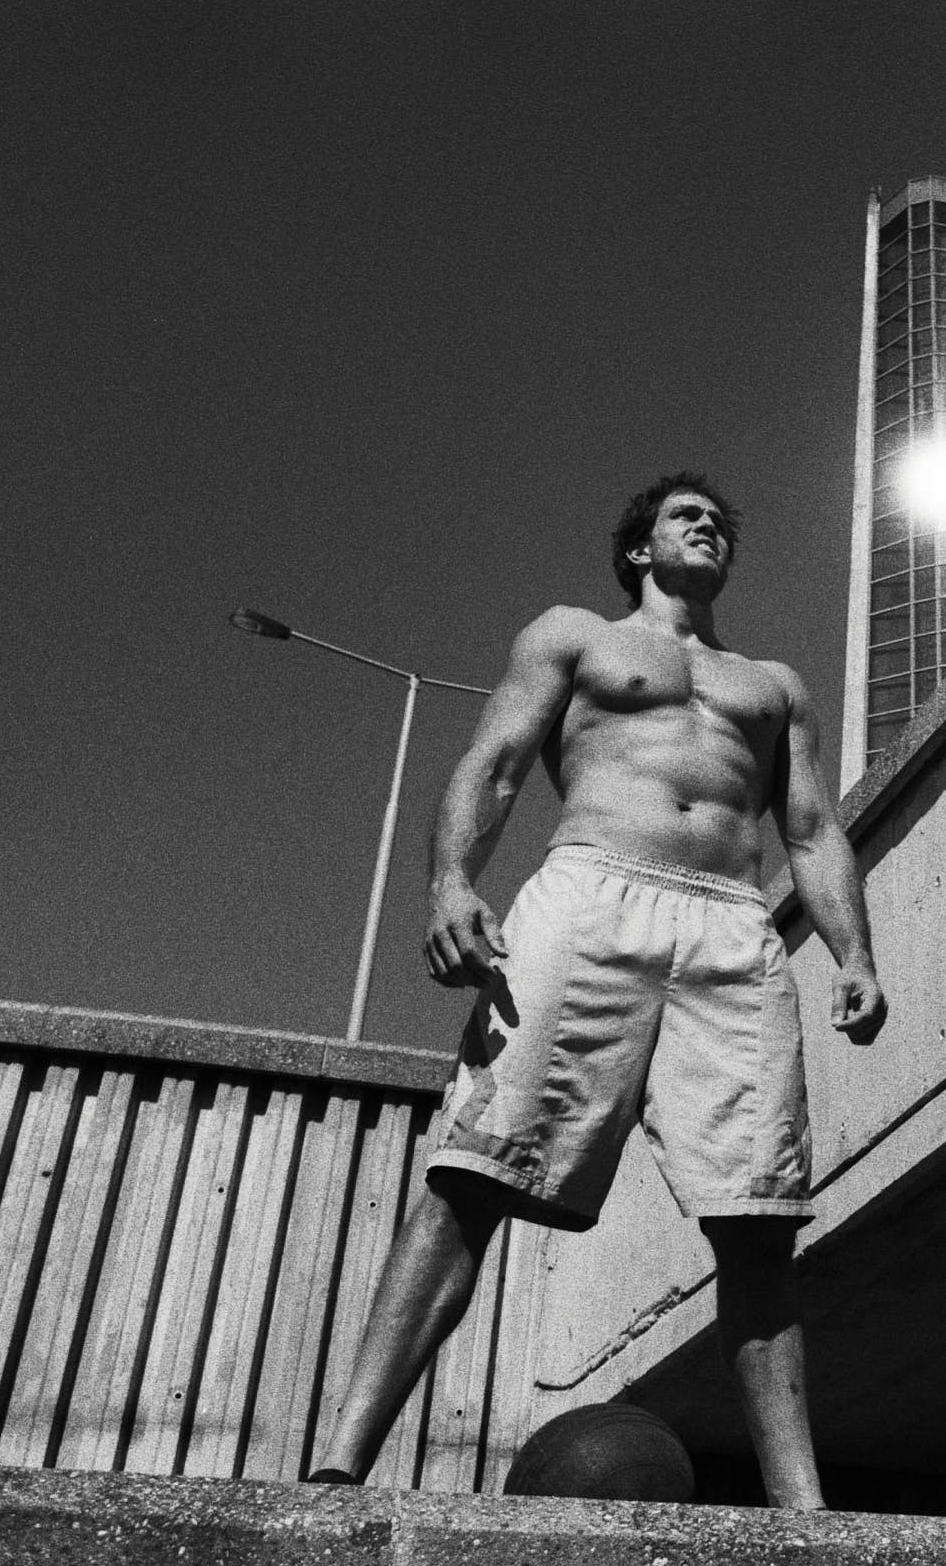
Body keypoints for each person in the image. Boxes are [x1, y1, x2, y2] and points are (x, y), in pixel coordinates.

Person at [306, 473, 886, 1507]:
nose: (706, 525)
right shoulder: (573, 635)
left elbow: (807, 829)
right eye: (683, 516)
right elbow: (494, 762)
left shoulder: (772, 683)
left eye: (719, 521)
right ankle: (335, 1465)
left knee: (760, 1214)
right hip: (589, 896)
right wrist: (449, 882)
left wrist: (853, 954)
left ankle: (804, 1508)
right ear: (638, 549)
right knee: (471, 1175)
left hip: (729, 924)